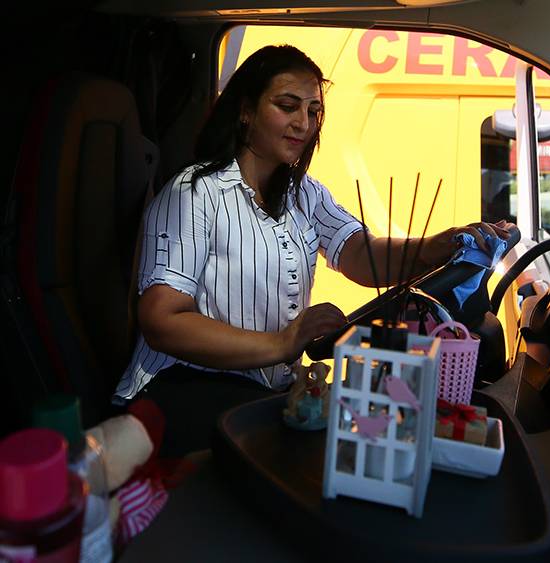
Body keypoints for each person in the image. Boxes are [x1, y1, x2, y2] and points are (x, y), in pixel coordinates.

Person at [114, 45, 511, 456]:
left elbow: (362, 253)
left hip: (263, 389)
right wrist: (283, 343)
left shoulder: (304, 194)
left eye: (314, 111)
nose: (303, 123)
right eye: (288, 106)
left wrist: (438, 246)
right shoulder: (194, 193)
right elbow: (161, 320)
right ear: (245, 111)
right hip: (186, 388)